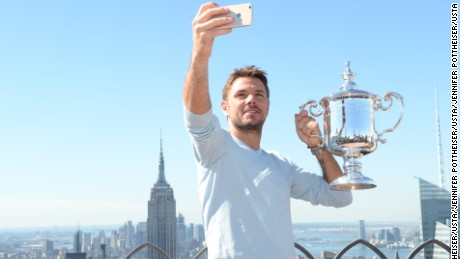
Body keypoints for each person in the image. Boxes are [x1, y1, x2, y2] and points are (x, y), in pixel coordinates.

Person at [182, 3, 352, 258]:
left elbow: (341, 197)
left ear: (268, 106)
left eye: (258, 94)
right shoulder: (215, 148)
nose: (252, 99)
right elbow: (196, 116)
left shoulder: (282, 165)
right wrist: (200, 53)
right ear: (225, 108)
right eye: (241, 95)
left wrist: (318, 147)